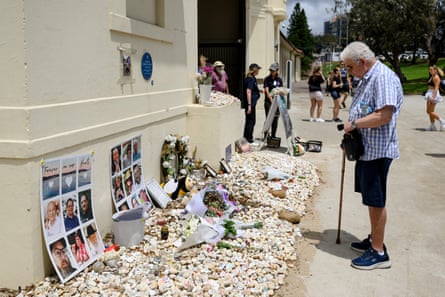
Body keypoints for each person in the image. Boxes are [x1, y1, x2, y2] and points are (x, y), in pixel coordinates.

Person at [341, 41, 403, 270]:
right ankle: (374, 238)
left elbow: (384, 115)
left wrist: (354, 123)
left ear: (363, 62)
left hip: (378, 151)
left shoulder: (382, 77)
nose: (349, 71)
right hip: (367, 149)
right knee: (370, 198)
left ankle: (378, 251)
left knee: (376, 201)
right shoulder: (368, 76)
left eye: (349, 67)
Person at [243, 63, 262, 143]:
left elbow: (252, 89)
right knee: (251, 121)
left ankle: (246, 137)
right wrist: (250, 105)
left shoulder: (251, 78)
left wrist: (259, 90)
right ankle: (248, 138)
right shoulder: (251, 79)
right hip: (250, 104)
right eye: (258, 69)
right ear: (254, 70)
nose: (258, 71)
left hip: (251, 103)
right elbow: (248, 91)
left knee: (249, 120)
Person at [263, 63, 284, 137]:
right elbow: (266, 90)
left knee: (275, 118)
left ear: (277, 71)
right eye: (271, 70)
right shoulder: (266, 79)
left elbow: (281, 90)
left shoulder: (279, 80)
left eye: (273, 70)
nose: (272, 72)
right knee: (269, 118)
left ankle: (273, 135)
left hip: (277, 102)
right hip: (268, 102)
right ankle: (266, 134)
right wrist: (271, 99)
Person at [424, 65, 445, 131]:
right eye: (429, 69)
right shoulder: (432, 76)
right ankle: (432, 126)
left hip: (433, 94)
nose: (430, 71)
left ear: (435, 70)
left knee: (430, 111)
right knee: (429, 111)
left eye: (431, 69)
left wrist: (433, 97)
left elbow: (436, 88)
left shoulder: (436, 77)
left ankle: (442, 121)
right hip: (429, 93)